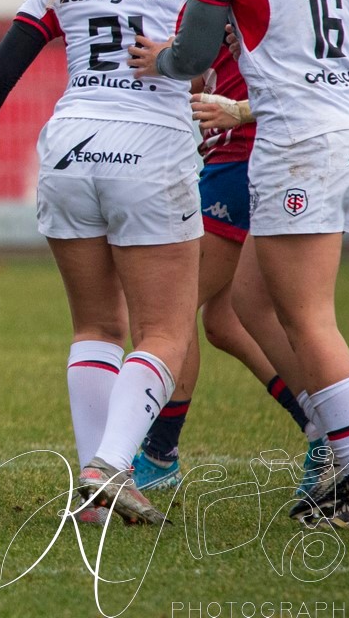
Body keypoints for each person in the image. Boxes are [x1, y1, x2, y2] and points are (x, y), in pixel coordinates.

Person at [128, 0, 349, 529]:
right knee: (249, 303)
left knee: (306, 316)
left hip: (297, 144)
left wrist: (160, 62)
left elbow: (194, 47)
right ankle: (333, 450)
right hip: (344, 131)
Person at [0, 0, 199, 525]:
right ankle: (109, 468)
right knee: (164, 331)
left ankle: (92, 494)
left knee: (94, 325)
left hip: (67, 149)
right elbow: (221, 50)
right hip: (148, 147)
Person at [130, 32, 325, 493]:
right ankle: (322, 428)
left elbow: (190, 69)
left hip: (242, 154)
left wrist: (166, 58)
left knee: (171, 306)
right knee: (223, 318)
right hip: (242, 153)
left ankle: (159, 455)